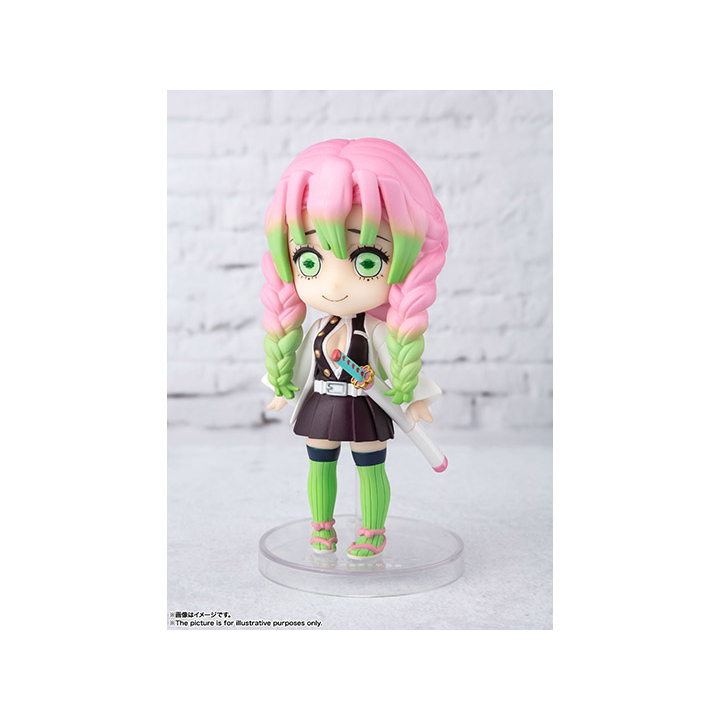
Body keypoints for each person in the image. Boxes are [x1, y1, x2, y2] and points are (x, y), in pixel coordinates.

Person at [261, 138, 448, 559]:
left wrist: (416, 397)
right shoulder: (317, 329)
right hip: (322, 404)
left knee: (370, 466)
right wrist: (281, 386)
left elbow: (398, 364)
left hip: (364, 404)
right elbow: (302, 364)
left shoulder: (377, 331)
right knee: (320, 462)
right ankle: (321, 527)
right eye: (309, 260)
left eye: (367, 260)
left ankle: (372, 532)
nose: (334, 284)